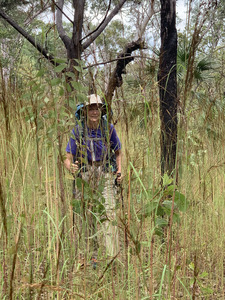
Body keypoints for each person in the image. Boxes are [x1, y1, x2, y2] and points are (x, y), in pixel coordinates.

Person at [64, 94, 122, 260]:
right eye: (91, 107)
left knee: (109, 213)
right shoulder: (78, 130)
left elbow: (118, 153)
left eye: (97, 107)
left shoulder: (108, 128)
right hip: (85, 175)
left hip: (104, 173)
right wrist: (71, 167)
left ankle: (113, 258)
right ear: (85, 111)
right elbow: (68, 157)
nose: (94, 111)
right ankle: (93, 257)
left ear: (101, 110)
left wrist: (119, 171)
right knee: (87, 215)